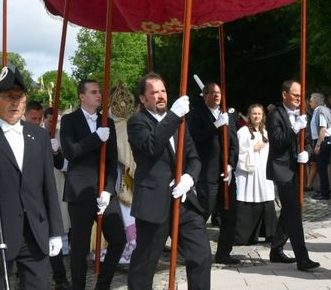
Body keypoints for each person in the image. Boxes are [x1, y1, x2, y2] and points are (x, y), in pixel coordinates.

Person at [0, 66, 64, 290]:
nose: (15, 102)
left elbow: (48, 187)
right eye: (9, 97)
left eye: (19, 97)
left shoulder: (38, 136)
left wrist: (55, 230)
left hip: (34, 234)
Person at [126, 72, 211, 289]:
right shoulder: (137, 122)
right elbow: (152, 146)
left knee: (201, 256)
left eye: (163, 91)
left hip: (184, 201)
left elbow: (194, 158)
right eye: (154, 92)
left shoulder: (179, 122)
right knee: (145, 264)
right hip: (155, 203)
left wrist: (189, 178)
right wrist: (174, 115)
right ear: (143, 99)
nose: (161, 95)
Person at [60, 80, 125, 290]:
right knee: (79, 248)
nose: (99, 95)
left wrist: (108, 189)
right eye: (94, 92)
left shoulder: (108, 122)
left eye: (100, 92)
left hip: (104, 191)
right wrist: (95, 138)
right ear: (82, 96)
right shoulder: (69, 120)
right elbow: (71, 152)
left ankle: (102, 286)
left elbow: (113, 160)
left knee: (118, 239)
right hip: (80, 191)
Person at [266, 80, 319, 271]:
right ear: (284, 95)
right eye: (295, 94)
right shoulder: (275, 115)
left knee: (290, 211)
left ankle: (276, 249)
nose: (299, 97)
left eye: (300, 94)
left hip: (296, 166)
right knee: (294, 213)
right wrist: (294, 128)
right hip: (281, 169)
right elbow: (277, 141)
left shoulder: (302, 115)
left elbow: (308, 140)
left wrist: (307, 151)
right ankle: (302, 258)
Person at [185, 81, 239, 264]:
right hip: (207, 172)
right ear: (205, 95)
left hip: (226, 173)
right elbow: (194, 138)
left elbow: (234, 143)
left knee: (230, 215)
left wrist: (231, 164)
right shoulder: (196, 114)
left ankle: (224, 253)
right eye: (212, 93)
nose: (216, 96)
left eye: (218, 93)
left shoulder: (228, 115)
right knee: (203, 213)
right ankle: (194, 252)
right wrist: (215, 125)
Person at [29, 101, 71, 290]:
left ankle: (60, 279)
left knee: (52, 236)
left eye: (39, 119)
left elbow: (62, 165)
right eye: (34, 119)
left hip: (45, 194)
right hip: (24, 197)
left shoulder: (46, 137)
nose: (37, 122)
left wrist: (55, 152)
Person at [233, 104, 277, 246]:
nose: (256, 116)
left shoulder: (266, 132)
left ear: (263, 115)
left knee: (267, 198)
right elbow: (237, 154)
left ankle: (270, 233)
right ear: (249, 115)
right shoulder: (243, 132)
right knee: (249, 200)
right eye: (254, 114)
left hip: (264, 174)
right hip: (249, 175)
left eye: (259, 113)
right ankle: (246, 235)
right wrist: (253, 149)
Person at [308, 93, 331, 200]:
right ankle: (324, 189)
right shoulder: (320, 110)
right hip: (322, 141)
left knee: (322, 168)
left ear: (316, 101)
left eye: (311, 101)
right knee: (321, 167)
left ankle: (325, 193)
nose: (309, 103)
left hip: (322, 141)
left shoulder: (321, 110)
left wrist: (318, 144)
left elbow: (323, 129)